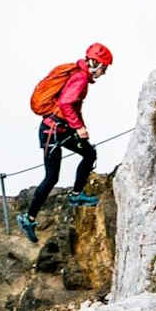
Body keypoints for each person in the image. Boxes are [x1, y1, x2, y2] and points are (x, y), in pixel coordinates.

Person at [17, 43, 113, 243]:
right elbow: (66, 103)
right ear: (95, 63)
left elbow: (72, 107)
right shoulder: (79, 78)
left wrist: (80, 127)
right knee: (52, 177)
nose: (103, 73)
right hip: (53, 131)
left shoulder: (78, 74)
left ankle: (76, 194)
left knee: (88, 153)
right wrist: (79, 128)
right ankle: (29, 218)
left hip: (59, 129)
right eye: (103, 68)